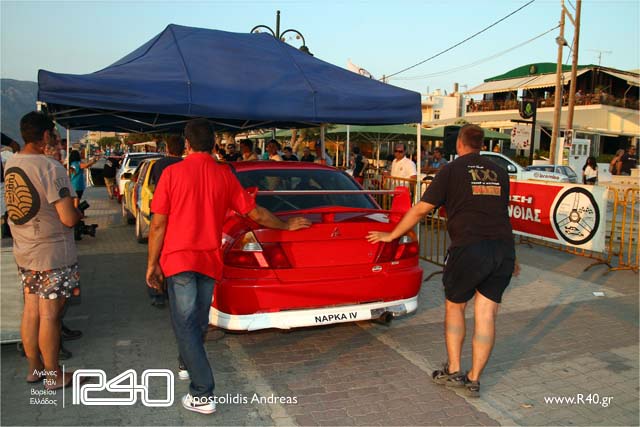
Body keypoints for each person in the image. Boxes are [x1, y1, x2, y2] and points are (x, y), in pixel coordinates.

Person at [146, 119, 311, 414]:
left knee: (185, 323)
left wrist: (152, 264)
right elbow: (255, 212)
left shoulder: (171, 173)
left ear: (187, 144)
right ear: (213, 144)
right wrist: (286, 225)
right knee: (197, 320)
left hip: (179, 259)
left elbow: (158, 224)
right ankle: (186, 362)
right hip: (209, 260)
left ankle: (202, 392)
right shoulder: (224, 175)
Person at [367, 124, 519, 398]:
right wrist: (513, 256)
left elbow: (421, 210)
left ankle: (454, 370)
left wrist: (392, 235)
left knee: (455, 307)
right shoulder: (498, 171)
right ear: (482, 144)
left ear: (459, 143)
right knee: (486, 314)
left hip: (469, 248)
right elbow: (501, 214)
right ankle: (474, 379)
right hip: (502, 249)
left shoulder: (451, 169)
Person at [5, 112, 83, 389]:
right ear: (46, 135)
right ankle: (53, 375)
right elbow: (68, 218)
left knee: (31, 311)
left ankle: (34, 369)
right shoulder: (50, 167)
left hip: (25, 249)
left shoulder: (12, 162)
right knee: (50, 315)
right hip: (51, 252)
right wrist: (77, 212)